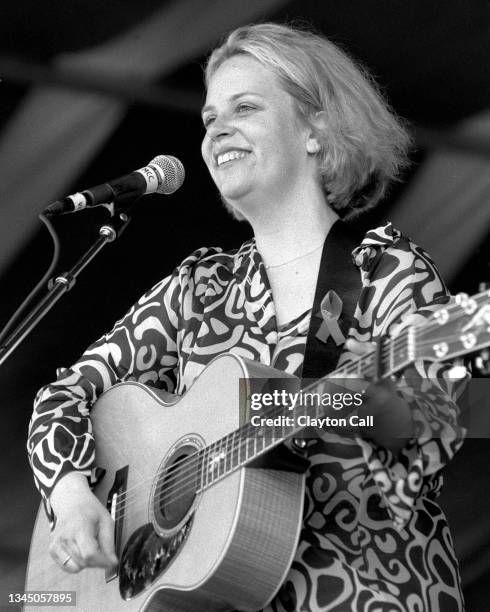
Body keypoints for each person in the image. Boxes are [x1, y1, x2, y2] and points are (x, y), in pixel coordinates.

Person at [28, 22, 466, 612]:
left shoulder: (386, 271)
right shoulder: (199, 288)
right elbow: (64, 395)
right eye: (210, 118)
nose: (217, 130)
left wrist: (283, 406)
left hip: (364, 590)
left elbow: (432, 423)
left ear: (315, 129)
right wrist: (73, 496)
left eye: (246, 107)